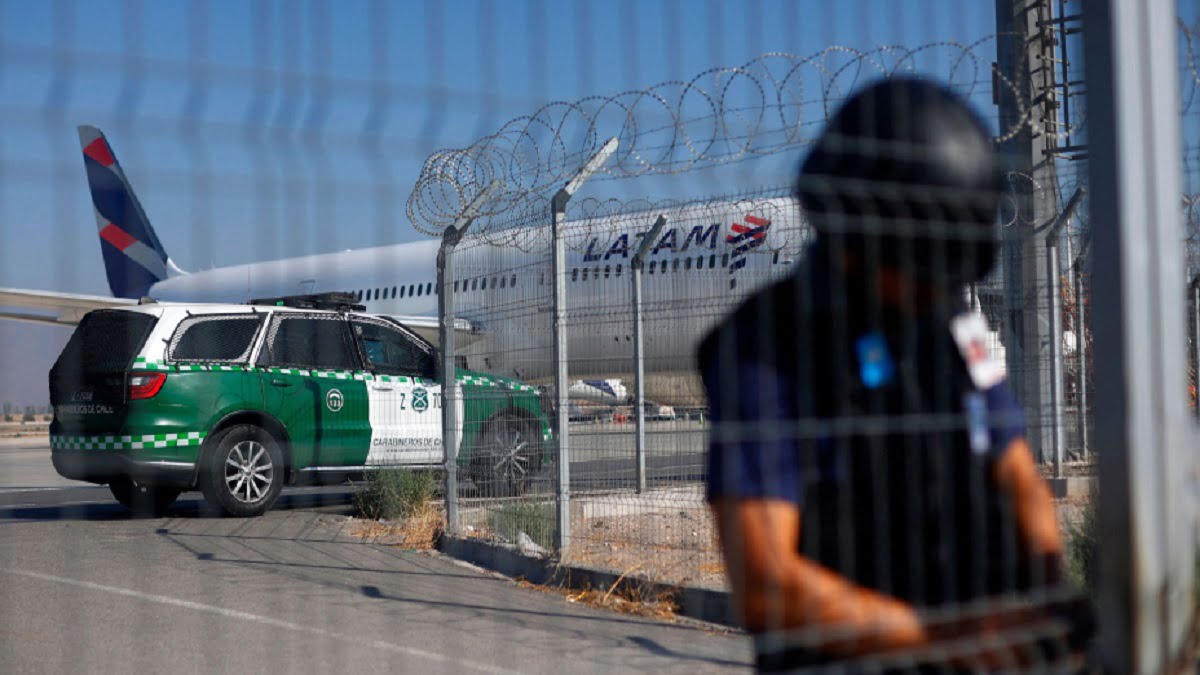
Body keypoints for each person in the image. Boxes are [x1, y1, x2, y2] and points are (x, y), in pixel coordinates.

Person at [699, 78, 1092, 672]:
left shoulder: (951, 322)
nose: (941, 287)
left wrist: (1049, 592)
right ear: (858, 236)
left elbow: (1016, 473)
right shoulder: (763, 350)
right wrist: (941, 639)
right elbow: (766, 581)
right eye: (924, 264)